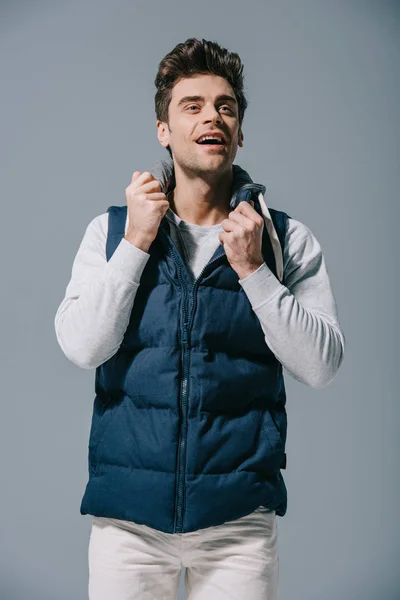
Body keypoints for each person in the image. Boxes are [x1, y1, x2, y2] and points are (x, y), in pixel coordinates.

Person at [54, 37, 345, 600]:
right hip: (128, 526)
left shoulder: (283, 239)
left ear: (240, 131)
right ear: (163, 129)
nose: (212, 115)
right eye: (192, 105)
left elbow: (322, 364)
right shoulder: (111, 231)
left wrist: (255, 271)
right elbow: (82, 346)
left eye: (226, 106)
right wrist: (138, 241)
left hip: (238, 525)